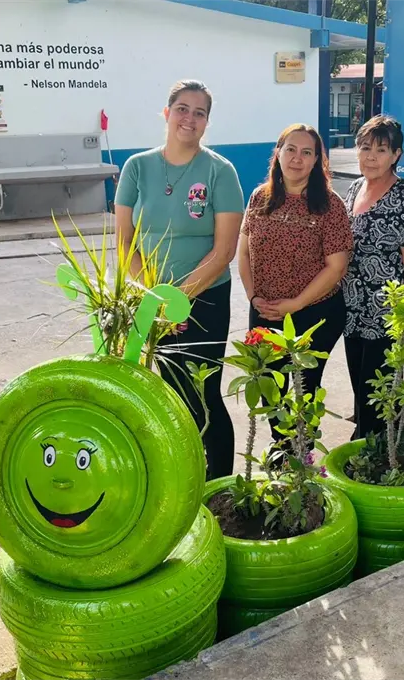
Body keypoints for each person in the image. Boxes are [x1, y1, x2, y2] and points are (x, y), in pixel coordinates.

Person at [114, 80, 244, 481]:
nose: (190, 118)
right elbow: (124, 243)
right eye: (183, 109)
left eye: (199, 112)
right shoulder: (137, 167)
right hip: (151, 300)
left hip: (205, 298)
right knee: (168, 393)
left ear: (207, 122)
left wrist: (179, 301)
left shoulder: (220, 171)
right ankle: (182, 477)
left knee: (204, 394)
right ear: (167, 113)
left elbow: (224, 250)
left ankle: (218, 484)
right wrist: (157, 300)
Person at [238, 123, 353, 452]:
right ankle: (282, 449)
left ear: (317, 160)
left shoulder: (329, 205)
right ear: (278, 153)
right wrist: (253, 297)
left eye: (306, 152)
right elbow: (243, 252)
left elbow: (336, 267)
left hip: (315, 312)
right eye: (290, 149)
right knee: (268, 385)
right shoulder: (260, 198)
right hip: (264, 310)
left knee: (305, 386)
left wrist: (297, 303)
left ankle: (303, 454)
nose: (297, 159)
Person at [342, 114, 404, 441]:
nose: (371, 157)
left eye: (381, 150)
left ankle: (373, 451)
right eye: (365, 147)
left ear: (396, 155)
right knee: (360, 386)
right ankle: (369, 445)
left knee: (378, 390)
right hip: (351, 308)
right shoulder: (354, 189)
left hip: (387, 312)